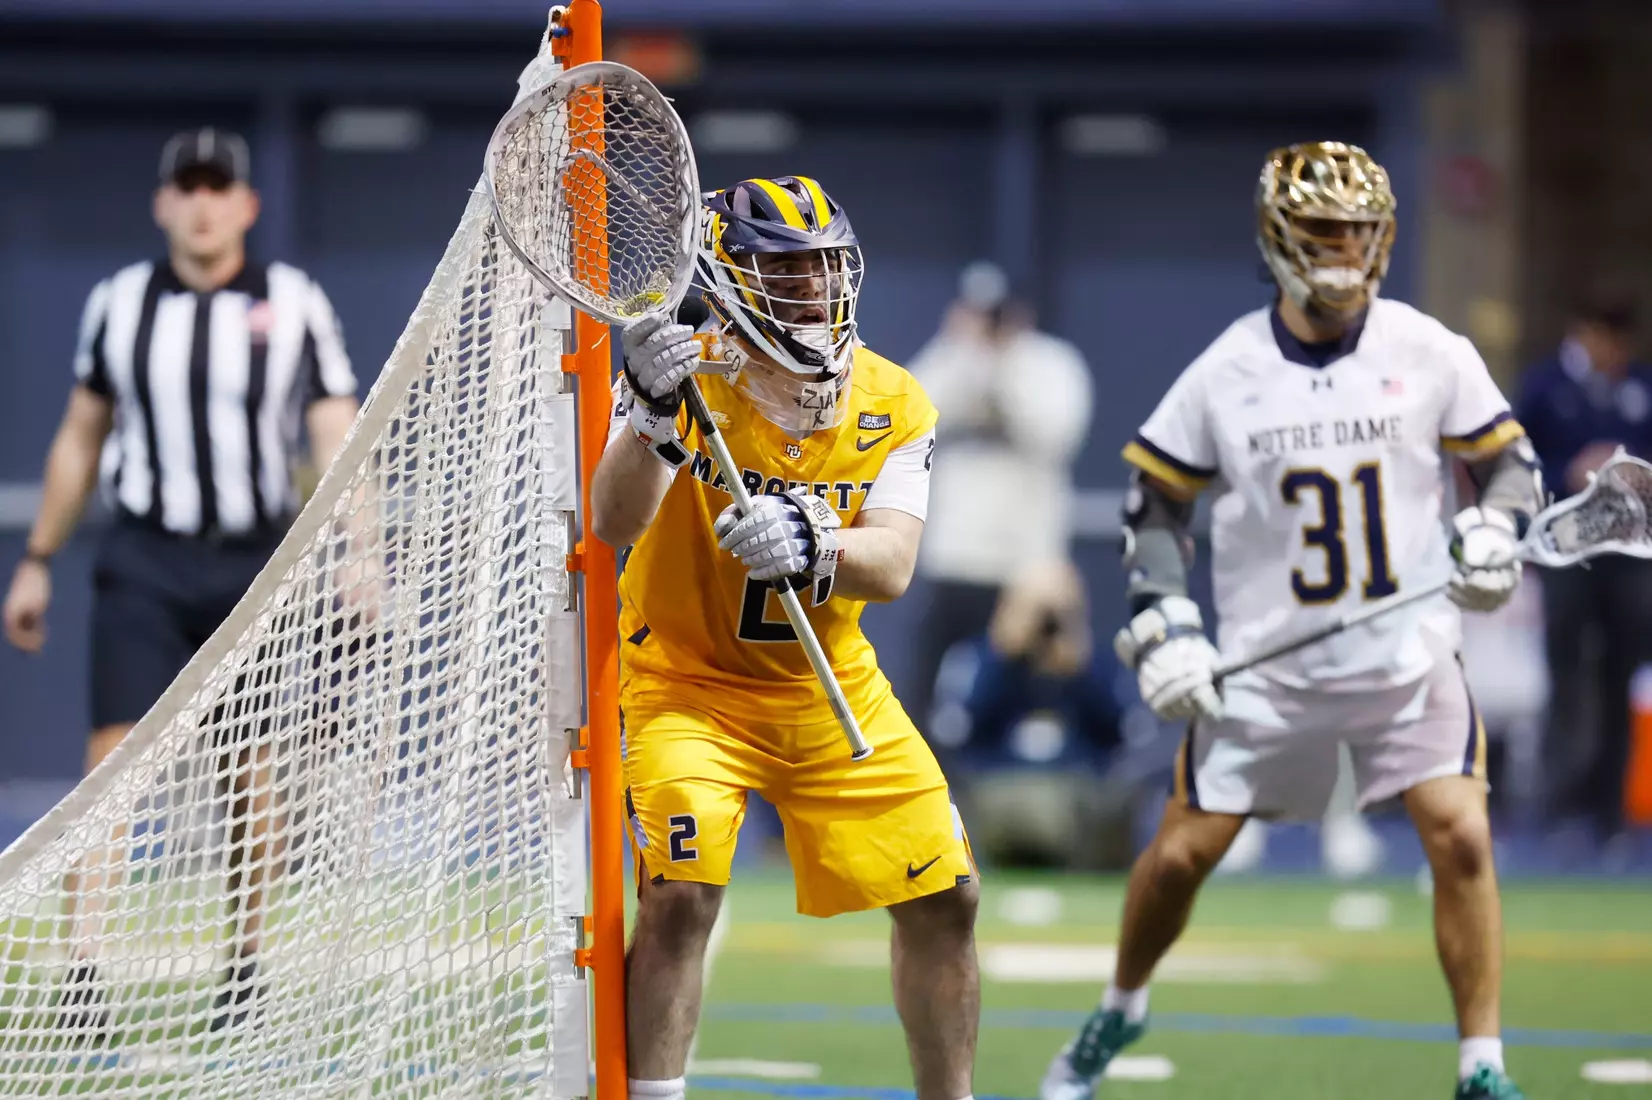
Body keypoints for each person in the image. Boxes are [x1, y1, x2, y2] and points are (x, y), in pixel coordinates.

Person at [1037, 142, 1540, 1100]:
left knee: (1462, 835)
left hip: (1408, 654)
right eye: (1323, 234)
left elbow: (1510, 466)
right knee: (1181, 857)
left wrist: (1492, 528)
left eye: (1358, 234)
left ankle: (1483, 1065)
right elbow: (1153, 504)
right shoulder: (1228, 369)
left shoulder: (1430, 349)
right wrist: (1167, 617)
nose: (1345, 254)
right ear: (1278, 239)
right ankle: (1123, 1002)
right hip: (1270, 663)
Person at [591, 175, 978, 1100]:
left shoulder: (895, 400)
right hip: (686, 684)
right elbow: (614, 521)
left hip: (823, 680)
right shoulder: (681, 372)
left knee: (948, 898)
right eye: (785, 271)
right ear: (728, 278)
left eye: (822, 269)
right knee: (681, 897)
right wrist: (647, 414)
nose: (812, 291)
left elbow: (892, 565)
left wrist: (818, 541)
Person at [1, 128, 360, 1035]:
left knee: (253, 771)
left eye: (218, 187)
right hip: (147, 557)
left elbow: (334, 431)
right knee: (111, 765)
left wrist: (361, 550)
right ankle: (85, 975)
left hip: (254, 565)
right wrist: (38, 558)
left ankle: (243, 969)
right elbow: (80, 436)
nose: (202, 203)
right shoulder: (119, 304)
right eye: (187, 187)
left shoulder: (294, 302)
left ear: (247, 205)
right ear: (164, 203)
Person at [906, 262, 1093, 751]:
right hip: (955, 561)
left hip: (1026, 569)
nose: (989, 325)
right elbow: (910, 416)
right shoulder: (950, 358)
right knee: (928, 700)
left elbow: (1053, 432)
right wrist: (966, 355)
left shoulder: (1051, 364)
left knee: (1031, 696)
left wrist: (1002, 367)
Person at [1513, 288, 1652, 853]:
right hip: (1567, 553)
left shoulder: (1640, 385)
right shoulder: (1544, 387)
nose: (1611, 350)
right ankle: (1559, 806)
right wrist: (1568, 470)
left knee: (1620, 677)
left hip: (1627, 557)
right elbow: (1514, 461)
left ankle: (1608, 809)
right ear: (1583, 332)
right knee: (1566, 677)